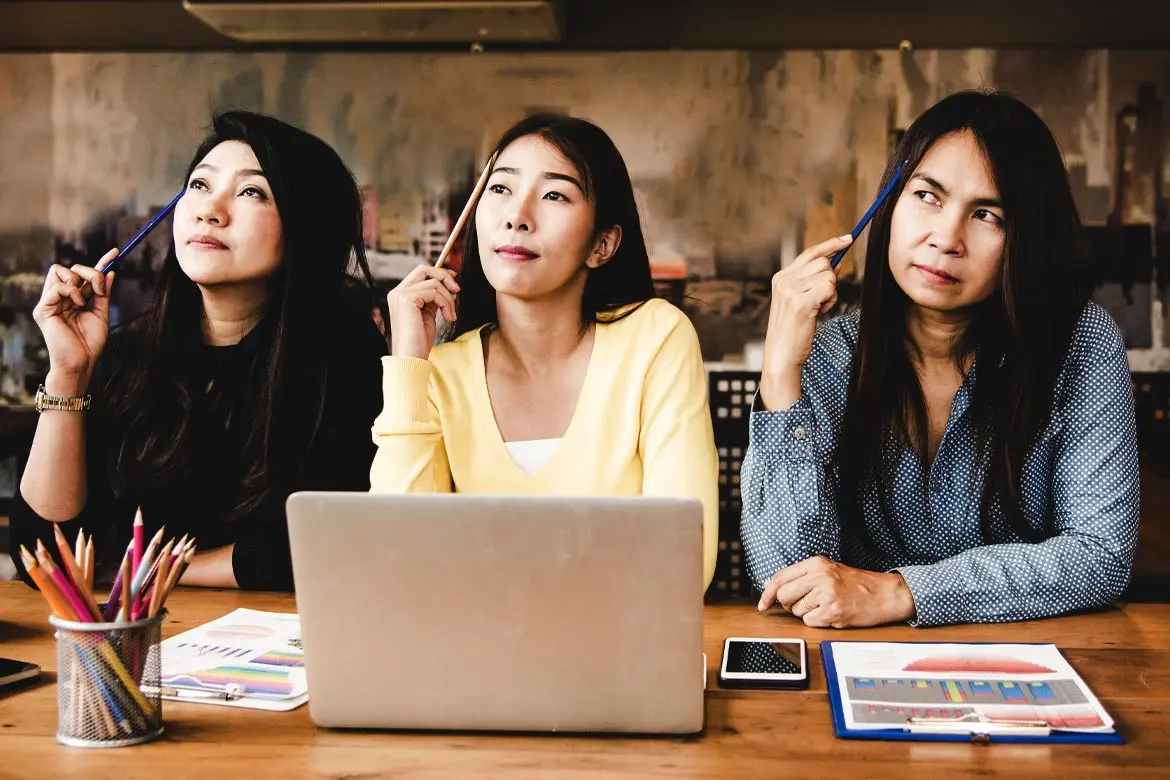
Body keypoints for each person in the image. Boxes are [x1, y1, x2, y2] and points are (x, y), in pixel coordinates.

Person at [742, 90, 1139, 627]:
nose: (945, 239)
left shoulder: (1080, 344)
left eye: (987, 214)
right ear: (889, 203)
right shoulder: (830, 350)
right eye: (927, 196)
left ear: (1027, 236)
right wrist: (781, 372)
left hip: (1023, 663)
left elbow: (1100, 554)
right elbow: (787, 575)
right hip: (858, 666)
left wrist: (902, 592)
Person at [11, 110, 388, 592]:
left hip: (277, 649)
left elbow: (330, 540)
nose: (211, 209)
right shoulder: (126, 355)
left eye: (252, 191)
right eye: (199, 185)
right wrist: (69, 372)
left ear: (304, 228)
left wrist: (150, 573)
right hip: (140, 649)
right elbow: (43, 553)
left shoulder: (345, 356)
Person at [372, 114, 719, 588]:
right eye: (500, 189)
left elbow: (682, 563)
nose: (517, 215)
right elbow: (396, 563)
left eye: (555, 194)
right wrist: (409, 363)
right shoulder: (440, 371)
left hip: (615, 652)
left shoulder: (656, 339)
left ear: (602, 244)